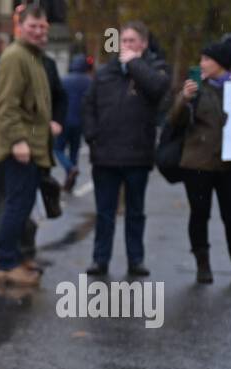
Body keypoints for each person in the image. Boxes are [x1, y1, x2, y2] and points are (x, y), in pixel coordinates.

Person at [0, 5, 65, 274]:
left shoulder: (35, 57)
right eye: (33, 26)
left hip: (35, 148)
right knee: (14, 207)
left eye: (43, 27)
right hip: (21, 149)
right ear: (21, 27)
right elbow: (5, 104)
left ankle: (14, 258)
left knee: (24, 207)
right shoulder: (16, 56)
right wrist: (17, 140)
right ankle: (5, 263)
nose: (39, 31)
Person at [81, 22, 169, 278]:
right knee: (105, 212)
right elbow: (89, 106)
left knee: (135, 212)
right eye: (123, 41)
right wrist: (92, 136)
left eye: (132, 41)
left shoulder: (154, 69)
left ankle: (135, 259)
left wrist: (134, 64)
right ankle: (100, 259)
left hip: (137, 155)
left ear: (143, 43)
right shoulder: (106, 72)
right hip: (105, 155)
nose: (126, 46)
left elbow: (158, 89)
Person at [168, 38, 231, 285]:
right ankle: (202, 265)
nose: (202, 64)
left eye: (207, 59)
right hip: (198, 165)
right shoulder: (195, 87)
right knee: (199, 215)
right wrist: (183, 99)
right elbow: (174, 121)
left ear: (221, 63)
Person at [56, 55, 90, 191]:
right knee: (74, 151)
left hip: (64, 120)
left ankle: (70, 168)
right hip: (80, 122)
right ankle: (71, 180)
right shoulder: (89, 82)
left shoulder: (64, 80)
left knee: (58, 149)